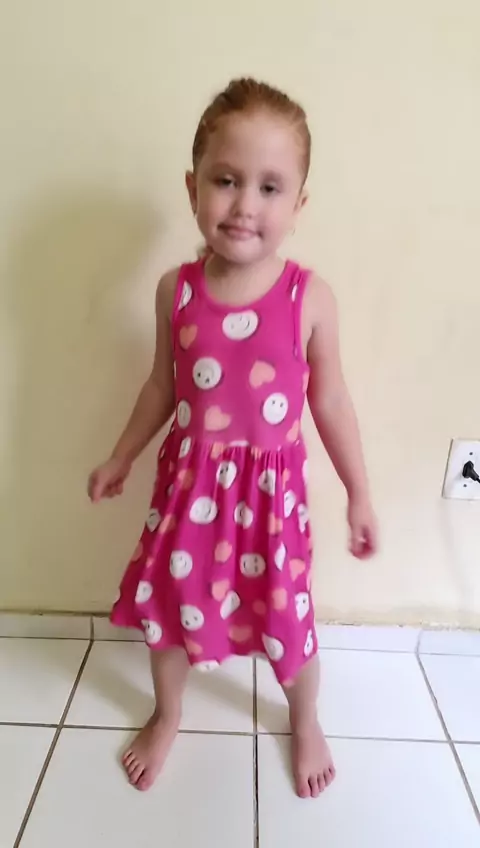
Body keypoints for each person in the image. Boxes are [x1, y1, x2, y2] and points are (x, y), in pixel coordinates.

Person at [88, 77, 377, 799]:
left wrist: (360, 493)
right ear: (193, 189)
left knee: (288, 624)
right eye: (226, 180)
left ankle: (305, 718)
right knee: (168, 614)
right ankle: (168, 713)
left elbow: (330, 400)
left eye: (270, 187)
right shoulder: (176, 291)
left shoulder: (310, 298)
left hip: (270, 507)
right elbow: (162, 387)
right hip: (188, 499)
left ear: (298, 205)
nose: (246, 204)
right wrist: (123, 454)